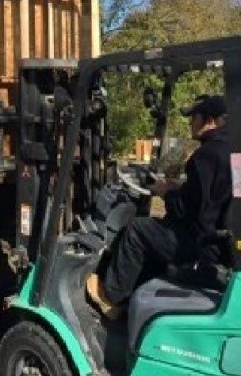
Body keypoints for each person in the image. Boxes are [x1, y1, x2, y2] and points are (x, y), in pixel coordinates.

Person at [87, 94, 233, 320]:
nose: (189, 123)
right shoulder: (233, 150)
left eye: (193, 117)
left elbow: (184, 210)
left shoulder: (206, 156)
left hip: (200, 245)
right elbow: (209, 197)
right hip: (218, 241)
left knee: (137, 230)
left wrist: (167, 192)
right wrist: (179, 187)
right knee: (156, 230)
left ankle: (111, 297)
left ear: (209, 120)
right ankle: (135, 292)